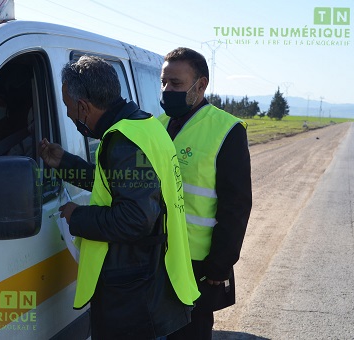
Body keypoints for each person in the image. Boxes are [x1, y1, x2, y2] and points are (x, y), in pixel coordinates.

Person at [38, 55, 200, 339]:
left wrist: (79, 217)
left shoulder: (124, 140)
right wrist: (64, 162)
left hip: (135, 296)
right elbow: (115, 182)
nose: (67, 115)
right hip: (149, 281)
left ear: (83, 107)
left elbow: (135, 219)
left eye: (68, 107)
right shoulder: (142, 125)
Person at [158, 47, 252, 340]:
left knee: (191, 333)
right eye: (163, 82)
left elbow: (236, 204)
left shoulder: (226, 129)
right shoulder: (158, 126)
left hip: (197, 263)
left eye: (176, 83)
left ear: (201, 85)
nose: (166, 90)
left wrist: (221, 264)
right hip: (156, 255)